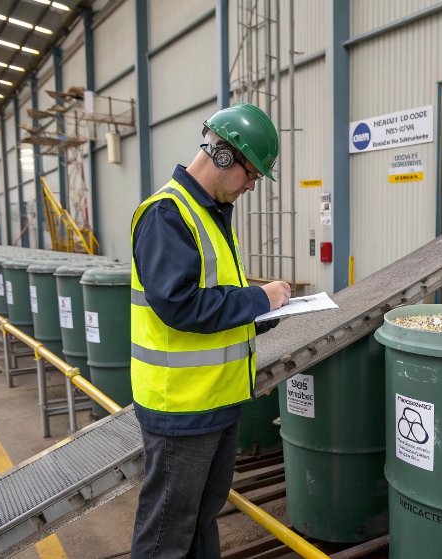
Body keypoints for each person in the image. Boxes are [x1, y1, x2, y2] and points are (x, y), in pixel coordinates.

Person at [129, 103, 290, 558]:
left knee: (200, 522)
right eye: (252, 173)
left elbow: (217, 304)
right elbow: (179, 305)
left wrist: (267, 311)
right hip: (182, 409)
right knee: (166, 535)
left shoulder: (212, 214)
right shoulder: (168, 214)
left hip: (218, 403)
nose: (253, 184)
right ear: (223, 157)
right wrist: (261, 298)